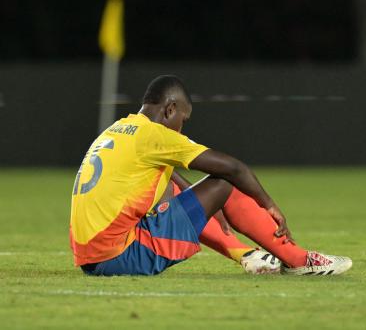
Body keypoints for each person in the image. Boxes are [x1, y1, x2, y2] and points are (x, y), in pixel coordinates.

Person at [69, 75, 351, 276]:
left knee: (181, 188)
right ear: (170, 110)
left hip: (90, 259)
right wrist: (269, 205)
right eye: (183, 119)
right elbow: (233, 168)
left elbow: (170, 179)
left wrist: (204, 203)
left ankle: (247, 255)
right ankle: (299, 260)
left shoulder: (118, 129)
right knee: (225, 183)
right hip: (121, 257)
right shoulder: (154, 135)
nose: (182, 127)